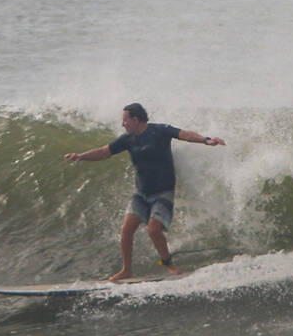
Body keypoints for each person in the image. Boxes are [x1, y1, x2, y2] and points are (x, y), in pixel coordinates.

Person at [63, 103, 226, 281]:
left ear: (135, 119)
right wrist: (80, 156)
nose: (123, 124)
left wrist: (205, 140)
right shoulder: (126, 139)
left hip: (163, 192)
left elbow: (185, 134)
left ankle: (167, 263)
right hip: (141, 193)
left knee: (153, 229)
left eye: (125, 120)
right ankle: (127, 269)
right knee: (126, 229)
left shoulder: (160, 131)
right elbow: (104, 151)